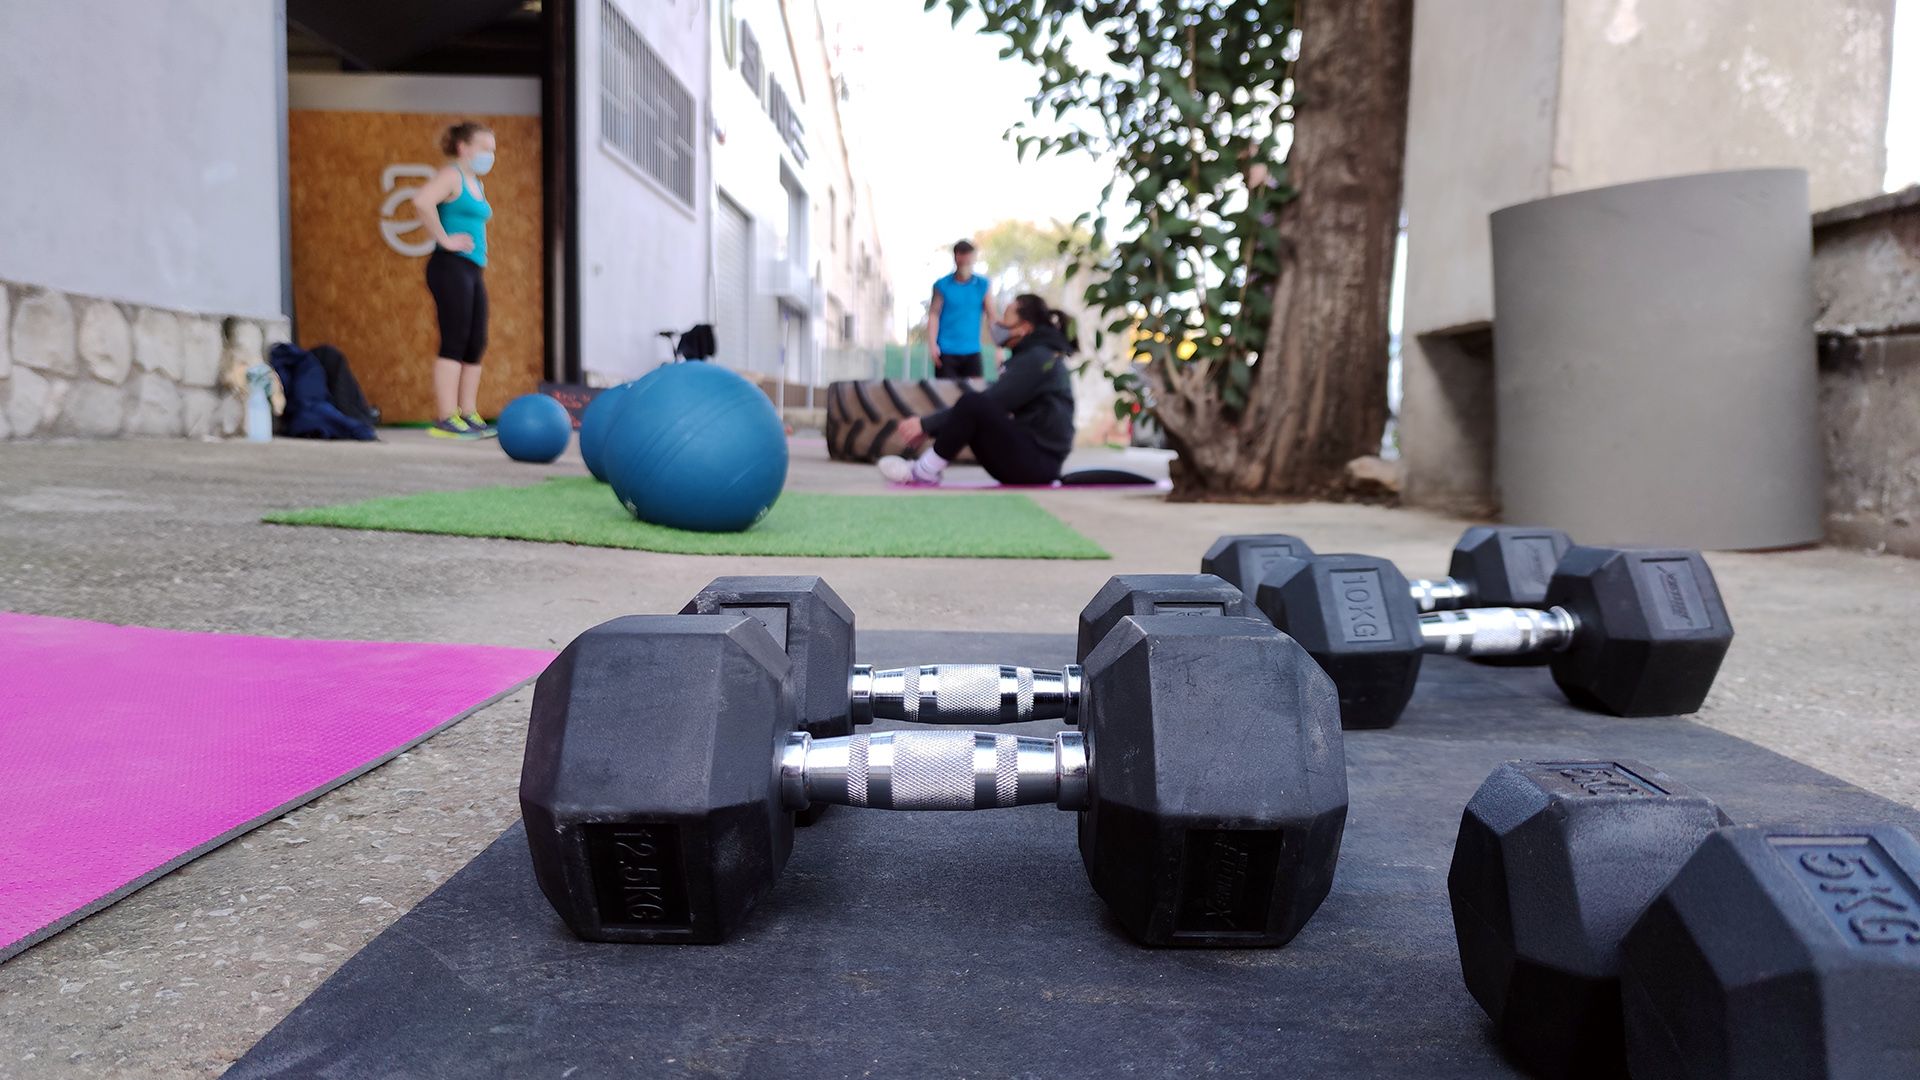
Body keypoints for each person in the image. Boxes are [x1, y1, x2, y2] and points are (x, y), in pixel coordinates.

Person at [880, 294, 1076, 486]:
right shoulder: (1034, 357)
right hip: (1034, 460)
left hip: (1038, 463)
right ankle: (924, 470)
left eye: (1005, 316)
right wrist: (931, 426)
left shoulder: (1038, 359)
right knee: (974, 406)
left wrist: (926, 425)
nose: (998, 323)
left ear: (1024, 328)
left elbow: (993, 401)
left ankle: (924, 471)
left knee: (973, 403)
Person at [411, 120, 498, 439]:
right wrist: (445, 239)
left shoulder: (477, 183)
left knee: (476, 341)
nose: (490, 155)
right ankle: (446, 418)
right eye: (485, 149)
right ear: (464, 148)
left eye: (492, 150)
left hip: (472, 268)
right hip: (450, 266)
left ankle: (468, 412)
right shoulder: (452, 175)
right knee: (455, 338)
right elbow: (422, 201)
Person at [926, 239, 996, 379]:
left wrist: (999, 347)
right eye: (961, 254)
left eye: (968, 255)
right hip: (946, 352)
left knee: (976, 394)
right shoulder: (942, 285)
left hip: (972, 351)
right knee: (946, 395)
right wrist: (933, 344)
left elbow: (992, 316)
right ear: (956, 257)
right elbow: (934, 315)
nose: (965, 259)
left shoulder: (982, 285)